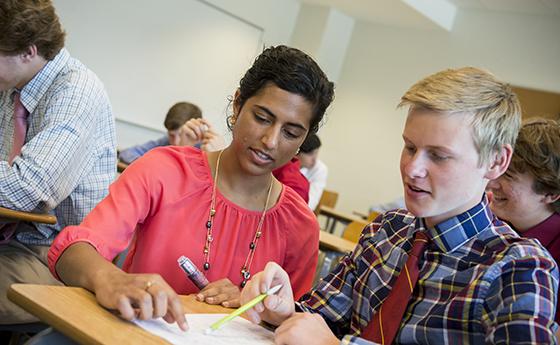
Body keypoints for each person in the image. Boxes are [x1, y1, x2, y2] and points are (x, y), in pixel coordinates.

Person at [240, 67, 559, 344]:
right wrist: (283, 313)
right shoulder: (386, 230)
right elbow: (321, 318)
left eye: (439, 155)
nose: (412, 168)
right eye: (409, 147)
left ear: (495, 162)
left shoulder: (518, 268)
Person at [48, 45, 334, 330]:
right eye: (262, 118)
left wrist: (256, 308)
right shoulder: (166, 170)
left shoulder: (299, 226)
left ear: (304, 139)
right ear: (237, 105)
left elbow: (292, 324)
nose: (271, 141)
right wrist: (109, 279)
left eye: (291, 132)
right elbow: (73, 251)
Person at [0, 0, 116, 324]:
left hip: (57, 256)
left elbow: (27, 189)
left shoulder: (76, 90)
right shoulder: (12, 86)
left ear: (28, 51)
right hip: (13, 238)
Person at [487, 117, 560, 322]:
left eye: (508, 176)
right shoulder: (491, 222)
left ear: (549, 193)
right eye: (497, 168)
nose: (491, 183)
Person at [118, 102, 209, 164]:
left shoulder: (207, 150)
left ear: (196, 130)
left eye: (182, 135)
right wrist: (151, 165)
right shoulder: (165, 142)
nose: (176, 142)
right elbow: (127, 153)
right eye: (172, 135)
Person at [298, 133, 327, 210]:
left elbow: (311, 204)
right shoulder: (284, 164)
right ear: (297, 152)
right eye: (310, 154)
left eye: (316, 153)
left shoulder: (320, 169)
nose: (315, 159)